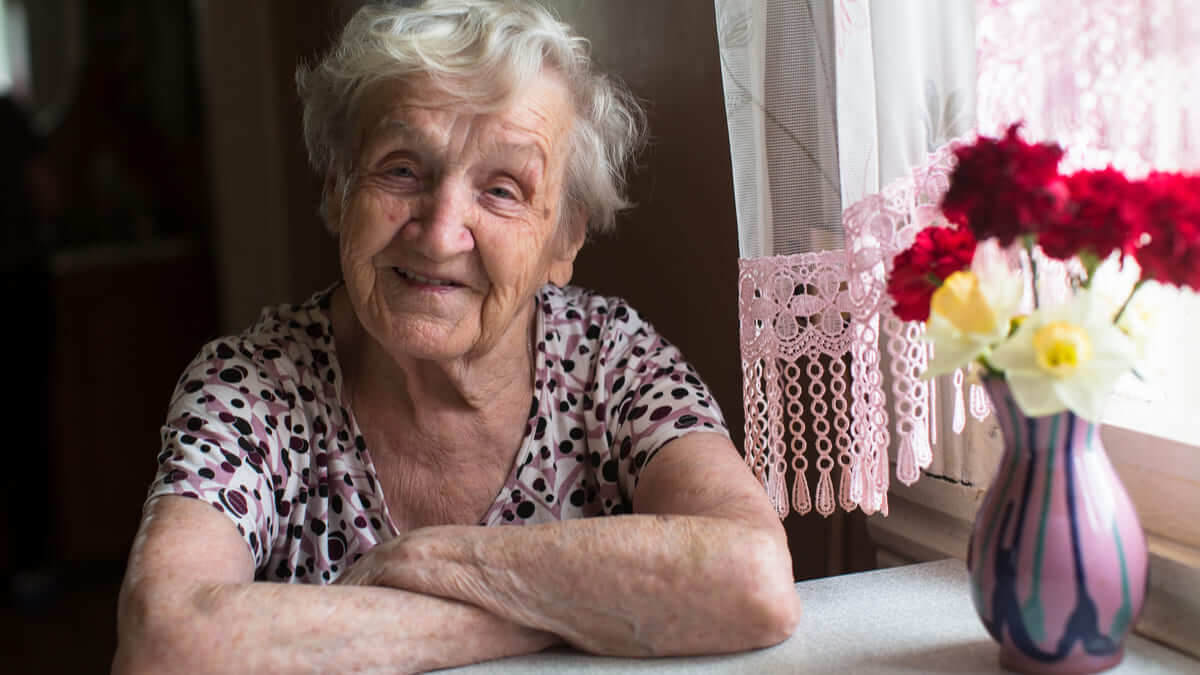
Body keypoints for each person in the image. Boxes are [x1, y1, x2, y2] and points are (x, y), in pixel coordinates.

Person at [113, 1, 797, 672]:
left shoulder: (613, 361)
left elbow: (754, 578)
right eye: (402, 169)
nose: (440, 235)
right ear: (336, 191)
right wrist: (570, 610)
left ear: (565, 240)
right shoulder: (255, 384)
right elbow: (167, 640)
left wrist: (424, 561)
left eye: (502, 189)